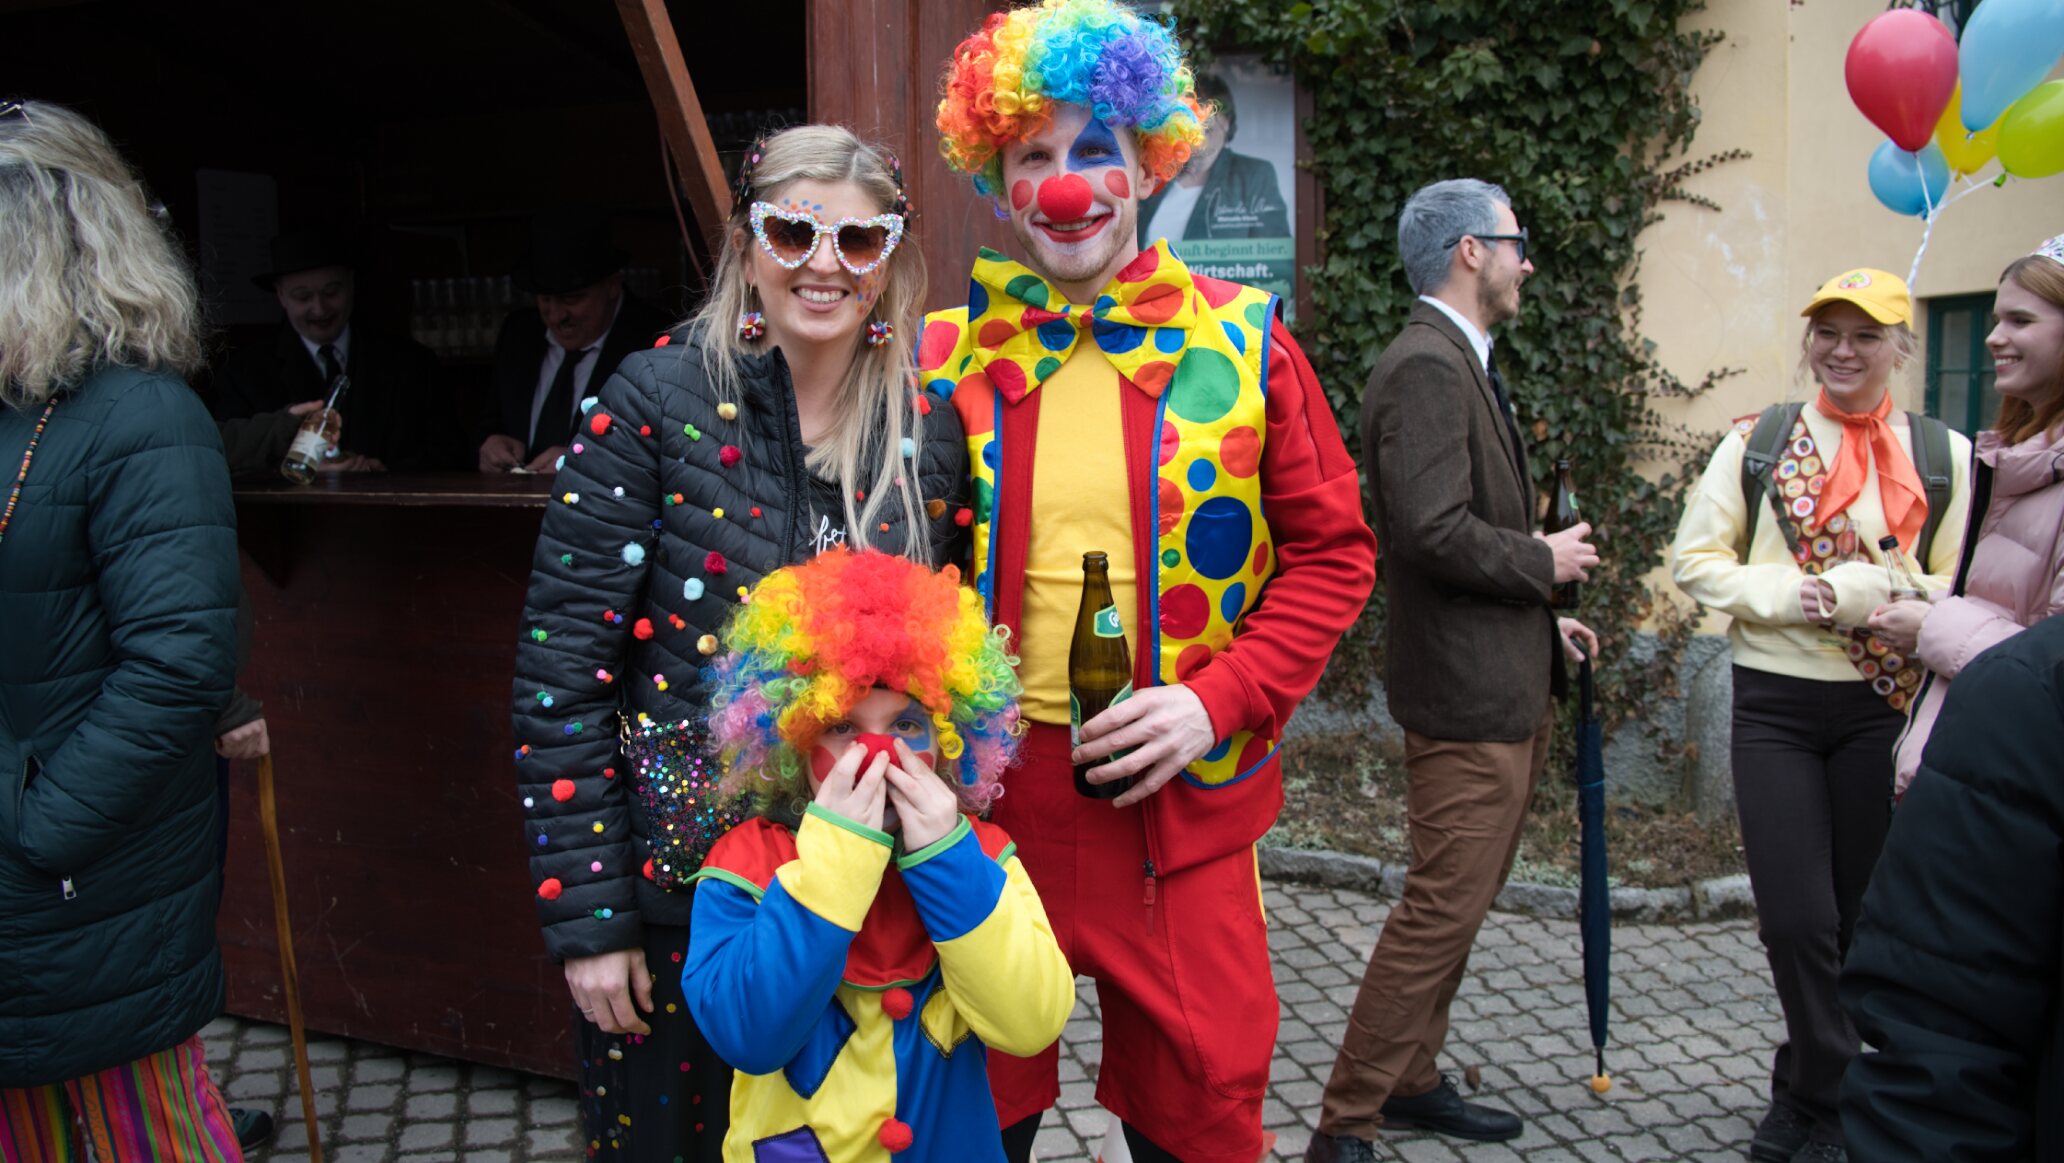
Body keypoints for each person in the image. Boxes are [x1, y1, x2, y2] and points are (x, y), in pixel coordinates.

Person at [928, 5, 1378, 1160]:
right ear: (997, 183)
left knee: (1205, 1120)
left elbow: (1336, 554)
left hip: (1181, 807)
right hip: (986, 809)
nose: (1065, 184)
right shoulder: (940, 357)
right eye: (1033, 154)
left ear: (1148, 166)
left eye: (1096, 151)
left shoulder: (1247, 342)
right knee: (968, 1121)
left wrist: (1213, 702)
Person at [510, 125, 968, 1162]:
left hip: (867, 897)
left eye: (859, 239)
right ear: (747, 244)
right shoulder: (652, 399)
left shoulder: (927, 431)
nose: (824, 264)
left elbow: (944, 674)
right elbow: (559, 677)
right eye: (795, 231)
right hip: (684, 899)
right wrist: (593, 921)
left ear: (890, 257)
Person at [1306, 179, 1600, 1159]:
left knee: (1459, 904)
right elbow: (1430, 531)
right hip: (1467, 702)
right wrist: (1543, 562)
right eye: (1516, 242)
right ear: (1472, 250)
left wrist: (1544, 625)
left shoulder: (1457, 358)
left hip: (1501, 682)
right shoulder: (1428, 365)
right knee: (1438, 909)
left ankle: (1413, 1079)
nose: (1526, 261)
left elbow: (1459, 529)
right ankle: (1345, 1122)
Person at [1671, 267, 1974, 1162]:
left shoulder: (1944, 455)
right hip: (1775, 703)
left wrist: (1882, 591)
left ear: (1899, 349)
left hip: (1887, 706)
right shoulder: (1759, 443)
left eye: (1865, 335)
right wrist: (1796, 595)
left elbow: (1964, 580)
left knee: (1861, 918)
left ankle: (1803, 1091)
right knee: (1796, 919)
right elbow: (1696, 562)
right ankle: (1840, 1098)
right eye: (1827, 333)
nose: (1843, 351)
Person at [0, 99, 244, 1160]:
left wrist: (40, 823)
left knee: (142, 1133)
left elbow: (181, 661)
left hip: (78, 871)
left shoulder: (142, 415)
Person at [685, 548, 1075, 1163]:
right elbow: (749, 1034)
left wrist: (947, 859)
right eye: (843, 727)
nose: (878, 754)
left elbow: (1031, 1022)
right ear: (791, 739)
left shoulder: (985, 857)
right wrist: (839, 855)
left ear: (950, 739)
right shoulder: (745, 865)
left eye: (907, 726)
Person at [1838, 613, 2064, 1157]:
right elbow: (1939, 1046)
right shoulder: (2031, 686)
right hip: (1940, 738)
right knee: (1803, 926)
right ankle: (1807, 1086)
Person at [1870, 236, 2064, 795]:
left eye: (2020, 320)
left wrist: (1931, 626)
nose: (1993, 337)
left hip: (2016, 792)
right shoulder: (2022, 457)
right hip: (1980, 771)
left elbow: (2052, 667)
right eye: (1997, 318)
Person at [211, 229, 452, 471]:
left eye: (331, 292)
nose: (319, 309)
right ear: (281, 294)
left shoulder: (411, 363)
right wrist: (300, 471)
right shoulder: (243, 373)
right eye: (303, 297)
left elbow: (449, 451)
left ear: (351, 284)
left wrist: (384, 471)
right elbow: (229, 463)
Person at [477, 210, 672, 473]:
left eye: (572, 299)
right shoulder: (518, 334)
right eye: (545, 299)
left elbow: (670, 445)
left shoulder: (657, 343)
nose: (557, 316)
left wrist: (589, 459)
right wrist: (491, 443)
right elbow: (490, 423)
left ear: (612, 286)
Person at [1137, 71, 1290, 246]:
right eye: (1192, 111)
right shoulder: (1158, 175)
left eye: (1213, 111)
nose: (1202, 119)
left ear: (1228, 123)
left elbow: (1276, 251)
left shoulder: (1255, 175)